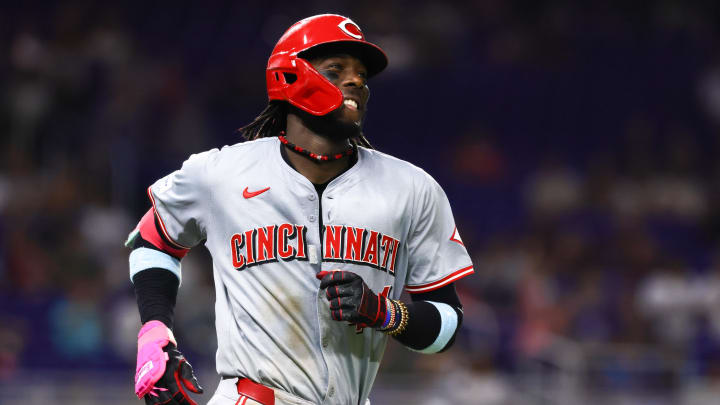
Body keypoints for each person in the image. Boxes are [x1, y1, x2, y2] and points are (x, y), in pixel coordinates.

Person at [126, 14, 474, 405]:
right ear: (289, 77)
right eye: (336, 69)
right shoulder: (220, 173)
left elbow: (447, 327)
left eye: (362, 73)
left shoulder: (412, 189)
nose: (356, 80)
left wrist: (382, 312)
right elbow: (152, 240)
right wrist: (155, 331)